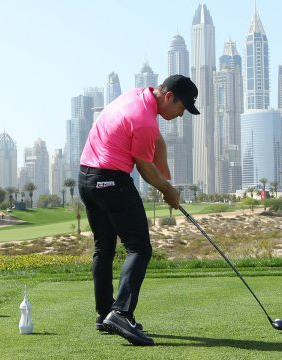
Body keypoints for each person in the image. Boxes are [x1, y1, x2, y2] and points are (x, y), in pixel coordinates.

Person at [78, 74, 200, 346]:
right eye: (182, 108)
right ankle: (121, 313)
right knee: (140, 248)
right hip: (111, 180)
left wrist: (165, 173)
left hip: (86, 178)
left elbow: (156, 141)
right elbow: (144, 169)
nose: (181, 115)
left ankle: (104, 314)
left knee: (104, 247)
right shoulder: (144, 120)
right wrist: (168, 189)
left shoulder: (138, 97)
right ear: (169, 97)